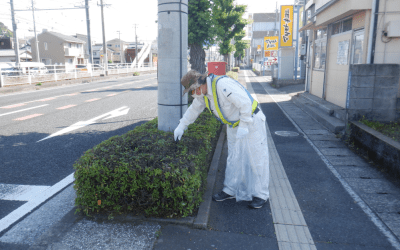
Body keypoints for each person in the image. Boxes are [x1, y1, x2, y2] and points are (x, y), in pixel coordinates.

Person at [174, 70, 269, 209]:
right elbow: (194, 109)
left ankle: (261, 195)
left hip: (251, 121)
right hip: (233, 125)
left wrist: (244, 125)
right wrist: (181, 125)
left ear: (201, 84)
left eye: (194, 90)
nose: (194, 94)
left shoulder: (223, 85)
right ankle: (230, 189)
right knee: (233, 158)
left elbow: (245, 103)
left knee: (256, 158)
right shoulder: (204, 94)